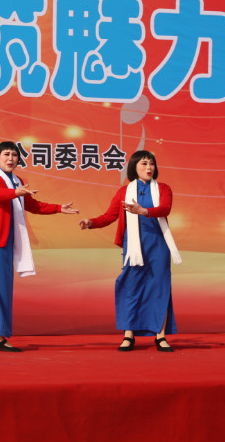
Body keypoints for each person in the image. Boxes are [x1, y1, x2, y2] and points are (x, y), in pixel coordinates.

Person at [0, 141, 78, 353]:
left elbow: (32, 205)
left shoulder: (17, 181)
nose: (10, 158)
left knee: (0, 288)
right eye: (6, 154)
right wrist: (15, 192)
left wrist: (58, 208)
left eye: (14, 155)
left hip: (4, 241)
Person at [79, 150, 181, 352]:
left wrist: (145, 211)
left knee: (159, 287)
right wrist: (91, 222)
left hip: (158, 244)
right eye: (144, 164)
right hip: (133, 246)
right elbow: (109, 216)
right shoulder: (124, 192)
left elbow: (166, 209)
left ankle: (160, 336)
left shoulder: (163, 188)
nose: (149, 167)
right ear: (134, 167)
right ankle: (128, 335)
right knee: (131, 287)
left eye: (151, 163)